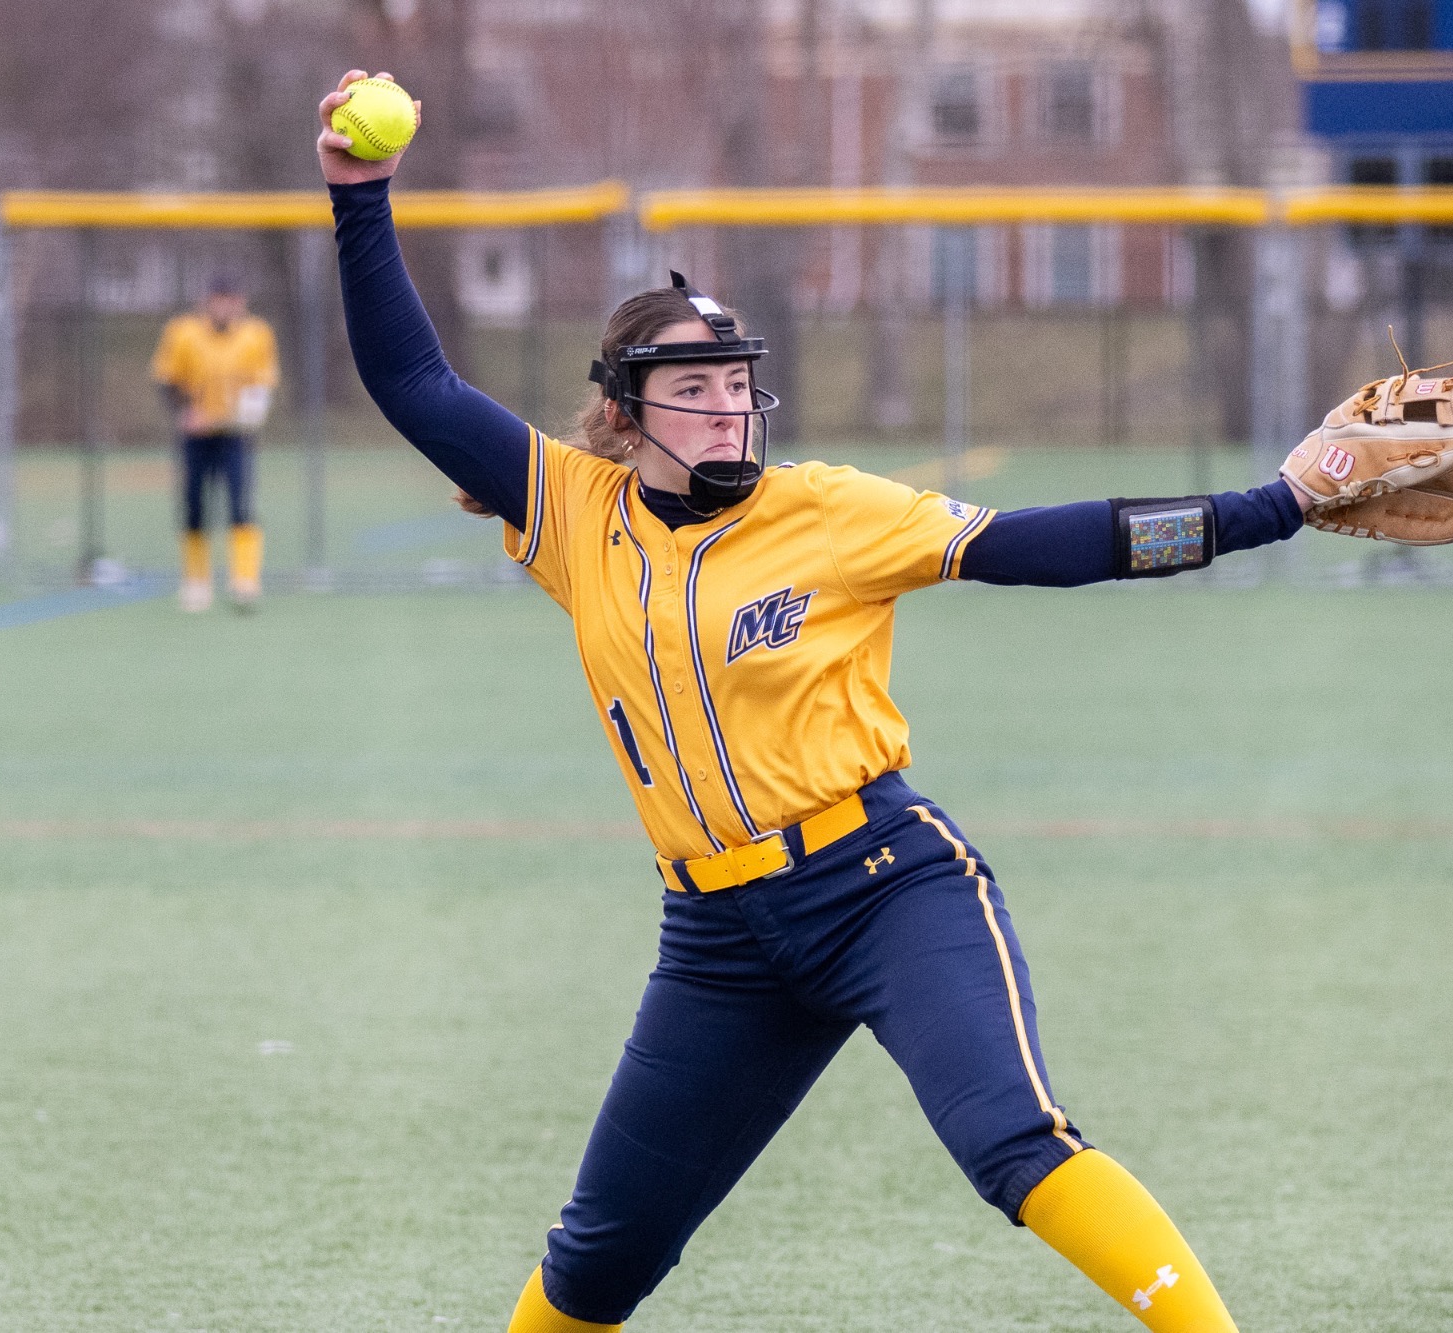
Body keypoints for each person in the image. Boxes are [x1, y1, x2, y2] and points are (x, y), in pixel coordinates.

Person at [319, 70, 1320, 1333]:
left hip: (882, 884)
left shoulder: (826, 509)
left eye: (736, 381)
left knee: (1012, 1143)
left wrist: (1266, 509)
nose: (725, 403)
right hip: (717, 943)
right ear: (623, 413)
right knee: (596, 1262)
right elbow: (411, 385)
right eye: (692, 386)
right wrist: (361, 197)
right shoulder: (576, 511)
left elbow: (1040, 542)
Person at [150, 274, 279, 611]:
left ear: (242, 302)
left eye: (231, 299)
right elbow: (167, 378)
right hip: (197, 435)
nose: (225, 306)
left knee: (241, 503)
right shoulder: (184, 332)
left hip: (235, 435)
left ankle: (245, 580)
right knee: (194, 505)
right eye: (219, 299)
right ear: (207, 301)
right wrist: (187, 412)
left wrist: (247, 414)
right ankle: (196, 583)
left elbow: (262, 384)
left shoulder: (256, 334)